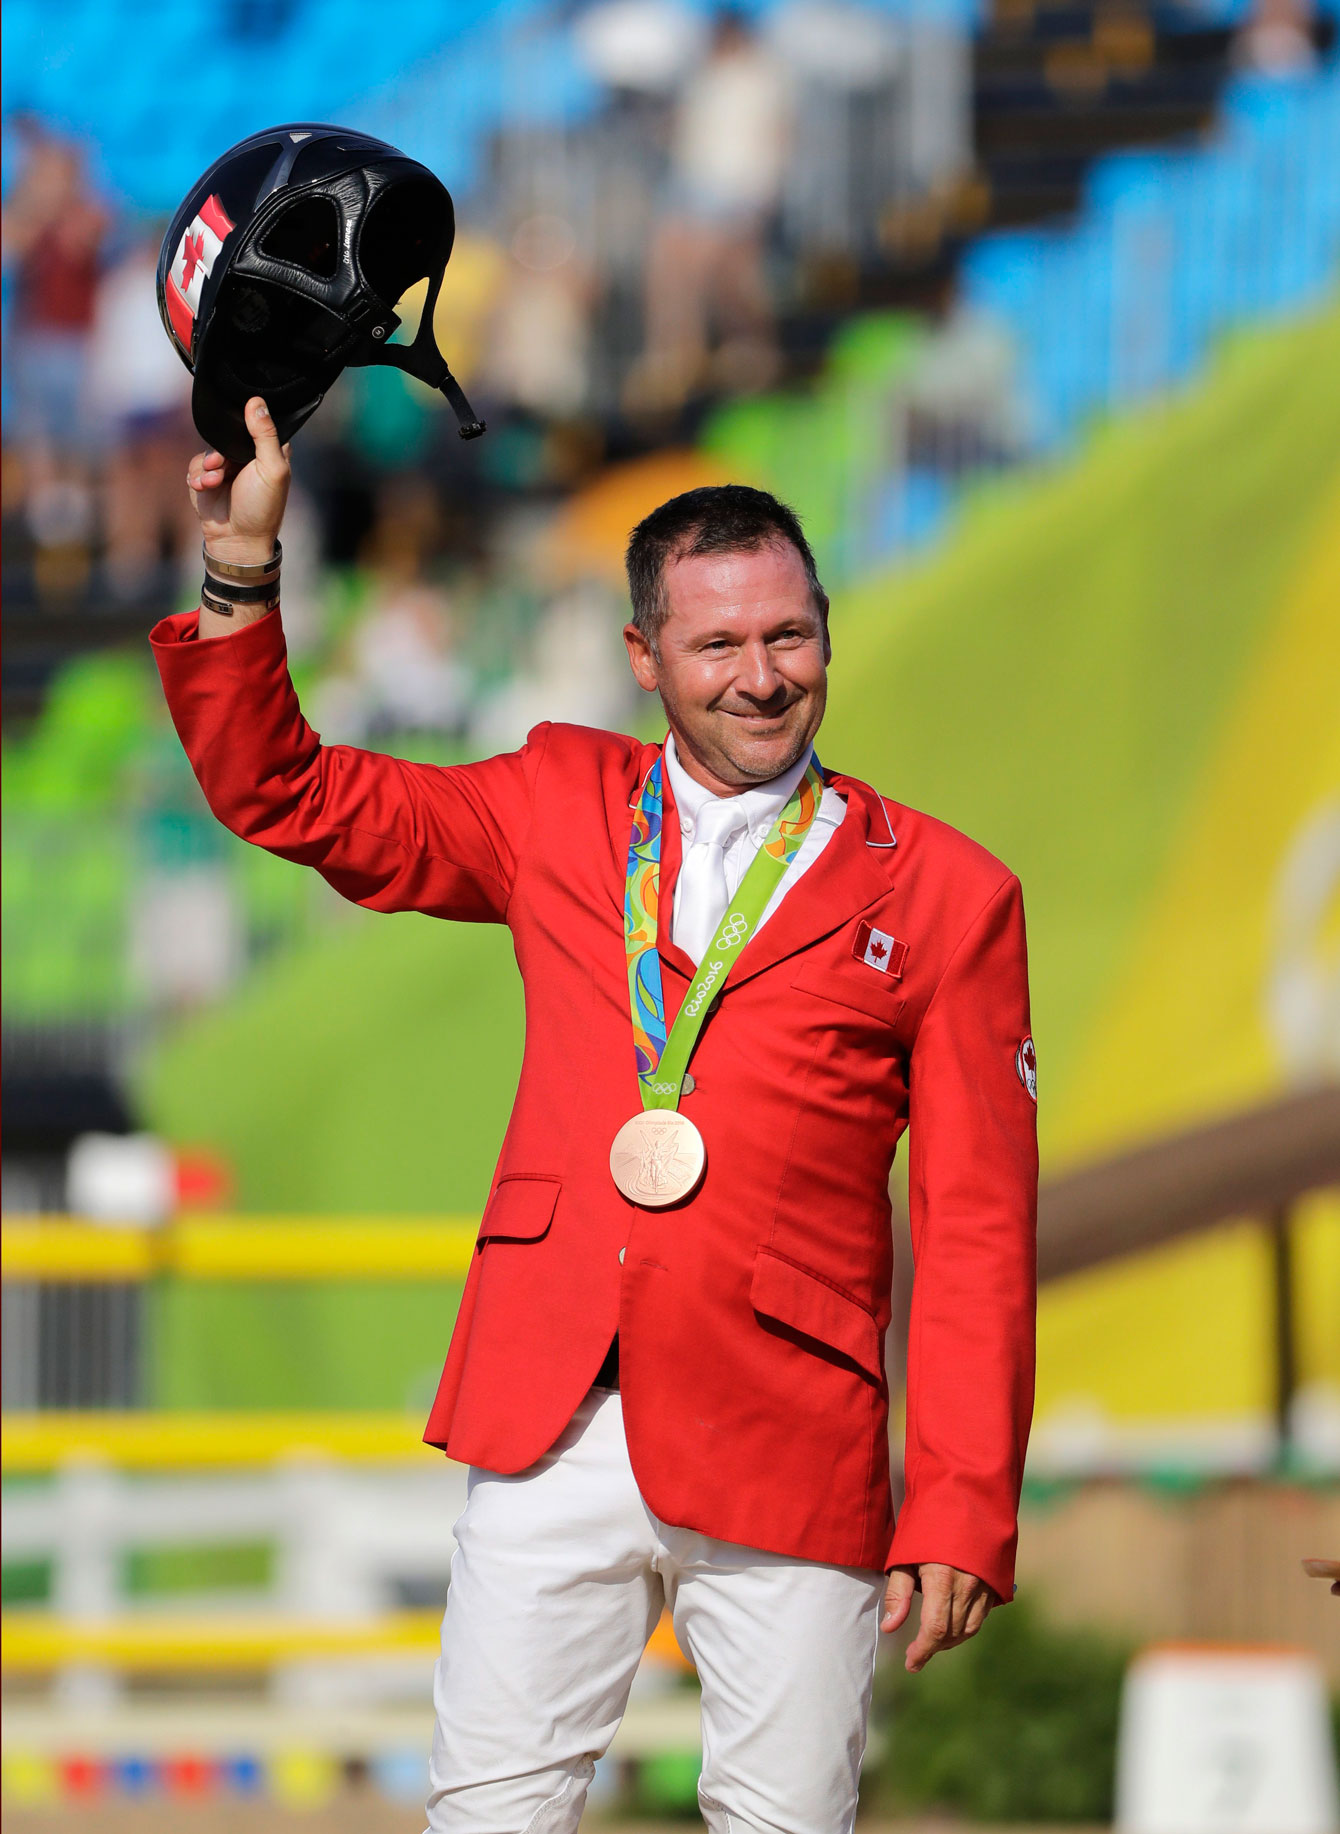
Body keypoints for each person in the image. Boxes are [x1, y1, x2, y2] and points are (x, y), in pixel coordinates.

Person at [153, 396, 1038, 1834]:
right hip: (551, 1408)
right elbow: (287, 790)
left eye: (790, 636)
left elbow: (981, 1221)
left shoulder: (948, 893)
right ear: (644, 656)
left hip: (792, 1432)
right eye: (718, 645)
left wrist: (959, 1495)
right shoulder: (554, 801)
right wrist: (242, 578)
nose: (764, 677)